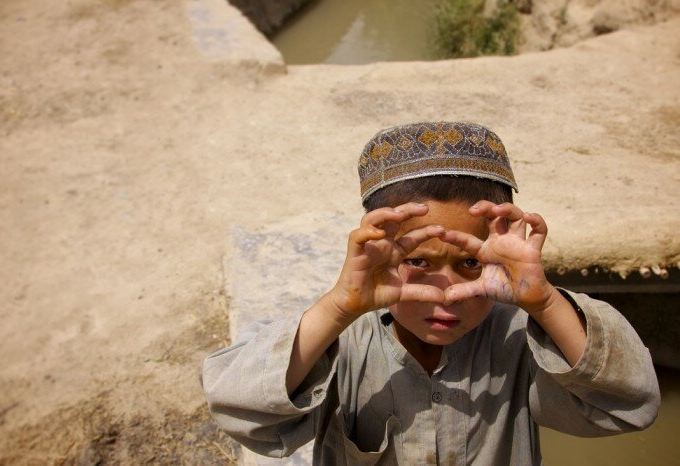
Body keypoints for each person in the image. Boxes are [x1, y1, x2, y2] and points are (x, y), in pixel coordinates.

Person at [202, 122, 660, 465]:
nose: (448, 295)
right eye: (418, 262)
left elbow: (628, 404)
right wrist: (340, 304)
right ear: (382, 255)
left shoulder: (520, 338)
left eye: (471, 264)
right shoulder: (345, 340)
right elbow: (239, 409)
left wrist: (543, 302)